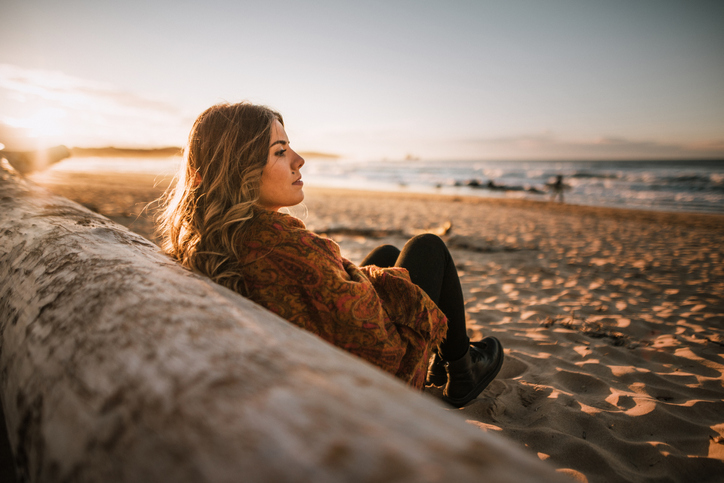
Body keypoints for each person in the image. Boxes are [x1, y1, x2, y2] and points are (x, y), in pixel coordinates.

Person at [157, 102, 503, 407]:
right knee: (428, 248)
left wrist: (377, 279)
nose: (298, 160)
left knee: (386, 253)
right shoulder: (281, 246)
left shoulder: (218, 236)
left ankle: (450, 359)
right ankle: (461, 368)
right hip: (367, 387)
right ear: (239, 171)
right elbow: (373, 342)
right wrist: (389, 287)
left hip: (305, 361)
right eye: (280, 152)